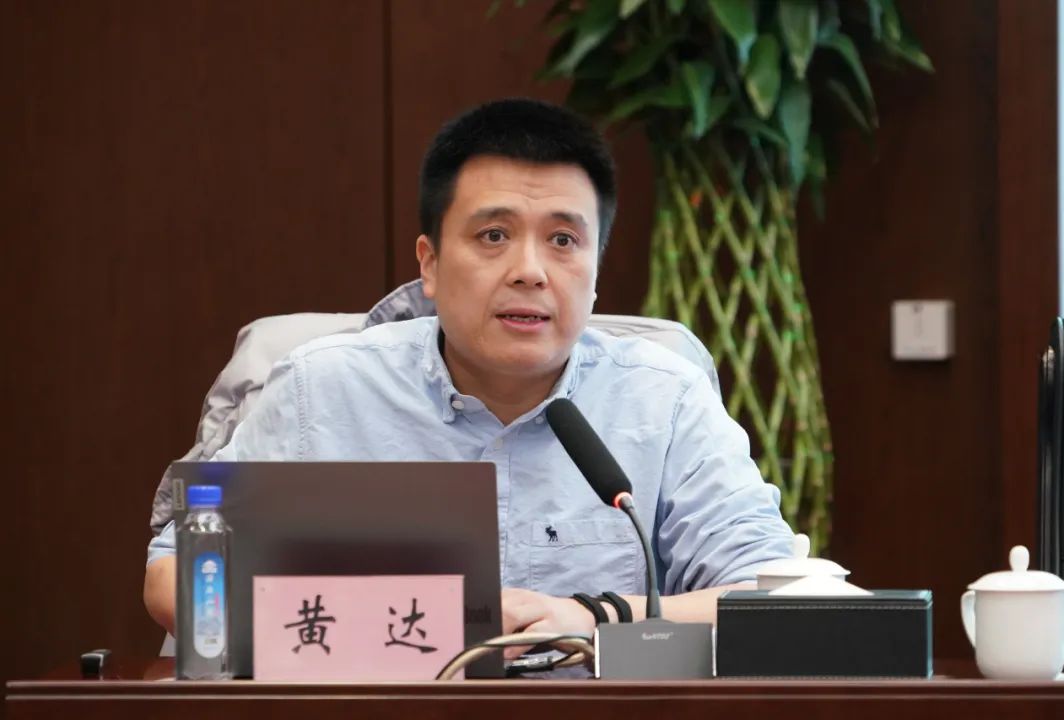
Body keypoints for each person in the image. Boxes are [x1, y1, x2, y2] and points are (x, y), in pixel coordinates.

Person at [144, 98, 794, 656]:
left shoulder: (665, 400)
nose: (530, 271)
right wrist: (400, 626)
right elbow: (176, 577)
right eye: (493, 236)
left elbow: (778, 598)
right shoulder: (321, 389)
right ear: (429, 264)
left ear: (597, 269)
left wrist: (594, 619)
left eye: (563, 241)